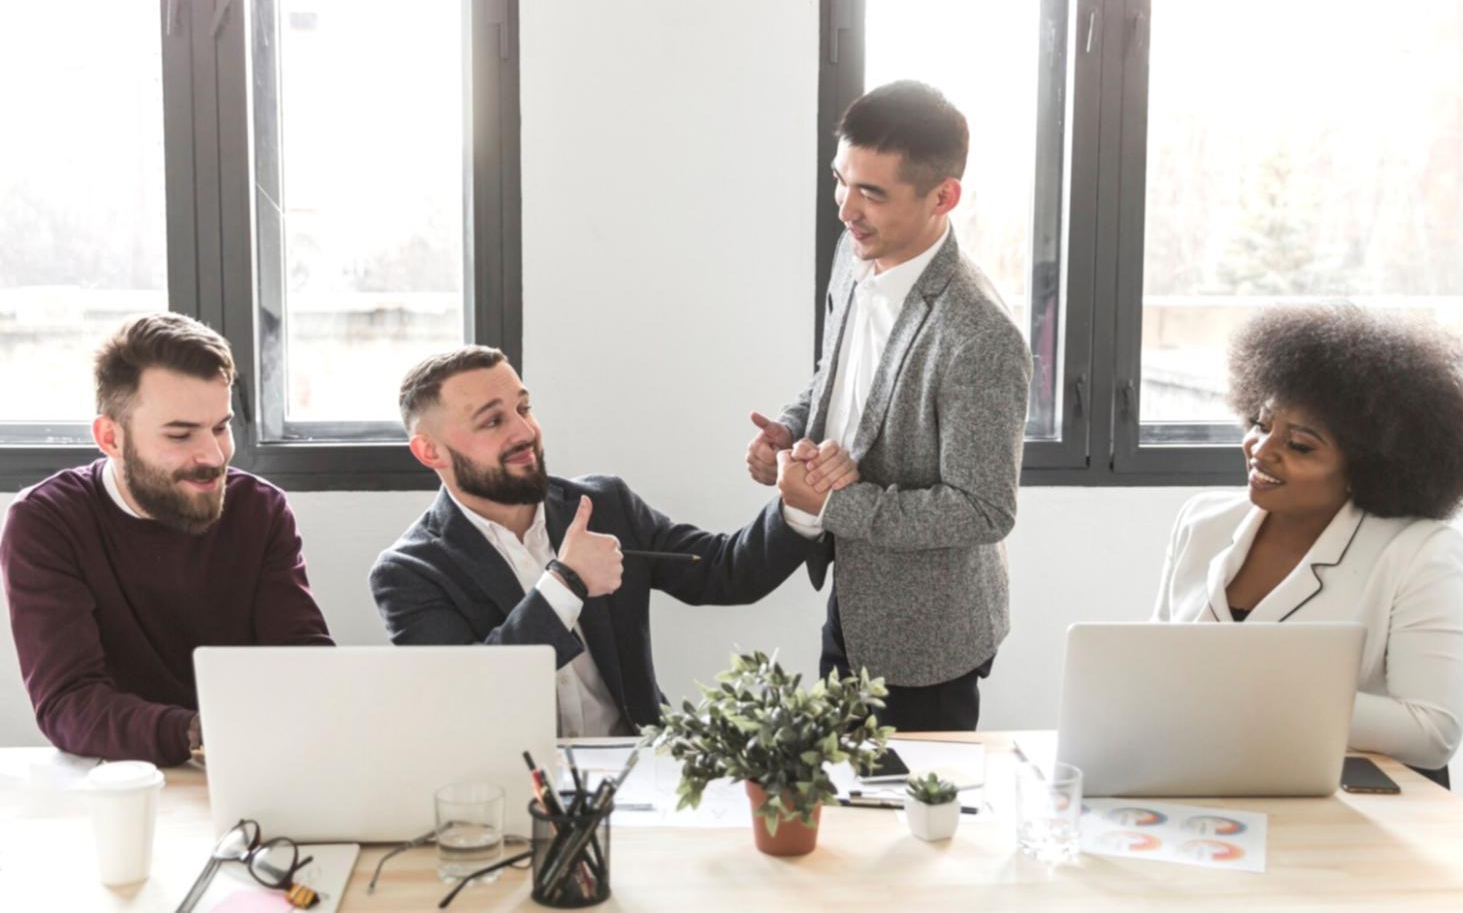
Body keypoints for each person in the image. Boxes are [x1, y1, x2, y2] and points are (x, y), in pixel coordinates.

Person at [368, 346, 852, 737]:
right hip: (511, 791)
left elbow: (725, 572)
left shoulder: (606, 504)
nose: (525, 431)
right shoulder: (409, 572)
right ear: (430, 451)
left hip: (639, 769)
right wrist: (566, 583)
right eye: (493, 422)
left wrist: (798, 507)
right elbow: (472, 696)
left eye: (524, 407)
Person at [746, 80, 1032, 731]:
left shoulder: (981, 337)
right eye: (841, 181)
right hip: (853, 596)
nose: (847, 209)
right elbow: (838, 374)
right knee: (839, 804)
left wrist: (833, 503)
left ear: (944, 197)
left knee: (910, 826)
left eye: (871, 193)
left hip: (927, 638)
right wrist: (790, 429)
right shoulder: (855, 253)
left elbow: (985, 508)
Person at [1153, 304, 1463, 784]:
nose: (1261, 449)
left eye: (1299, 445)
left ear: (1369, 467)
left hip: (1344, 801)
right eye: (1260, 423)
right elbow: (1154, 669)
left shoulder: (1418, 552)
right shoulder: (1202, 521)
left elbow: (1432, 730)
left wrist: (1258, 697)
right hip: (1205, 781)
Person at [0, 313, 333, 766]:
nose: (213, 457)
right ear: (110, 437)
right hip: (119, 778)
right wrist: (199, 731)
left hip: (257, 761)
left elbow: (302, 663)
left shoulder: (260, 510)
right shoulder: (48, 522)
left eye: (220, 426)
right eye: (180, 434)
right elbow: (68, 704)